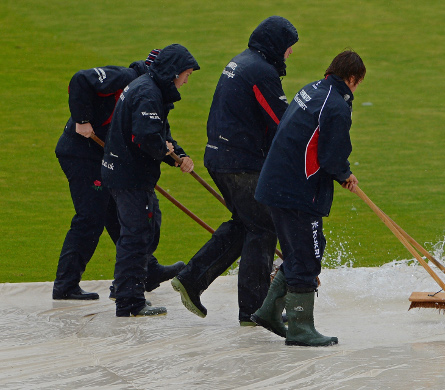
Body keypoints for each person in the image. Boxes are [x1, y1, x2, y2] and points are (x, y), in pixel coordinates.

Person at [171, 16, 299, 326]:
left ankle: (192, 278)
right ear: (276, 44)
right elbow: (281, 123)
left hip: (220, 156)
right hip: (239, 163)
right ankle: (254, 311)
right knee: (263, 227)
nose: (290, 54)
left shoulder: (244, 62)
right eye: (289, 47)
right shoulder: (261, 71)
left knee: (246, 223)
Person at [250, 50, 366, 346]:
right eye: (357, 84)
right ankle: (301, 328)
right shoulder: (337, 107)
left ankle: (268, 311)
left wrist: (340, 171)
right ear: (351, 79)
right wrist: (343, 173)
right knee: (307, 256)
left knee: (302, 249)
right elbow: (331, 155)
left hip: (276, 184)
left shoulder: (311, 89)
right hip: (297, 191)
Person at [53, 50, 185, 301]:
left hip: (105, 157)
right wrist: (82, 119)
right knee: (91, 217)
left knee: (126, 215)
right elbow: (81, 79)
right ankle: (65, 286)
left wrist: (176, 155)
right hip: (82, 153)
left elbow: (156, 131)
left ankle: (143, 271)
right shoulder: (126, 78)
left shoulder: (152, 93)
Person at [101, 44, 199, 317]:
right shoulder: (148, 92)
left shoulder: (150, 88)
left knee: (148, 228)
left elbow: (159, 133)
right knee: (136, 238)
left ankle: (133, 284)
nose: (186, 81)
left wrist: (177, 153)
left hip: (128, 173)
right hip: (129, 176)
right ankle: (129, 301)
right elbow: (147, 137)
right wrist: (168, 154)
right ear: (174, 72)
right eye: (186, 75)